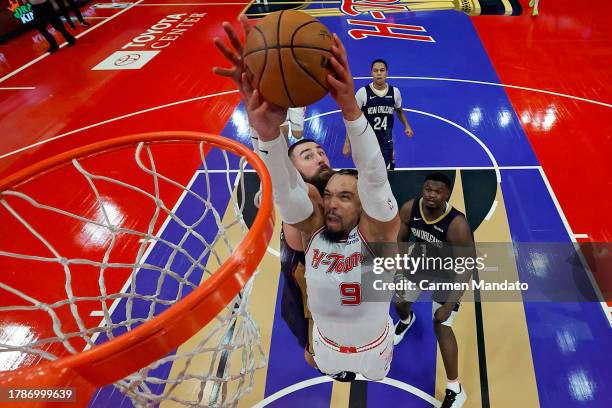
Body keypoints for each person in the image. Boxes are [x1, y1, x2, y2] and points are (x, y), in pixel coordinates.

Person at [213, 18, 401, 380]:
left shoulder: (378, 236)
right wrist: (266, 135)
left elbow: (375, 178)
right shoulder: (312, 226)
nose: (332, 203)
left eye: (346, 196)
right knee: (322, 362)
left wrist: (350, 107)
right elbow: (285, 191)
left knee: (376, 377)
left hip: (374, 348)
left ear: (364, 205)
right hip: (325, 344)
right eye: (329, 196)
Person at [393, 173, 474, 408]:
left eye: (437, 191)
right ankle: (407, 320)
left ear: (447, 194)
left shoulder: (457, 224)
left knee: (441, 325)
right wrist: (399, 272)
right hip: (420, 263)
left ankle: (455, 389)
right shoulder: (411, 207)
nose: (430, 194)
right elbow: (400, 237)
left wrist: (449, 304)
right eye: (427, 189)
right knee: (399, 304)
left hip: (449, 273)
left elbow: (467, 265)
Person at [343, 59, 413, 170]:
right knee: (368, 170)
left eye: (382, 70)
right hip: (367, 139)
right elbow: (353, 118)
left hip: (386, 140)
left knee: (387, 170)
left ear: (387, 72)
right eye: (376, 71)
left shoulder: (395, 92)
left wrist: (407, 126)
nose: (379, 73)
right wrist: (347, 143)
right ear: (371, 73)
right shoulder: (363, 93)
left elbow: (399, 111)